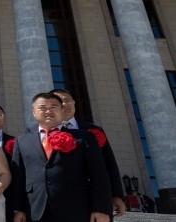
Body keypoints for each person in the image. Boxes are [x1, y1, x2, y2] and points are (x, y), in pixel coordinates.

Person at [12, 92, 112, 222]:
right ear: (34, 112)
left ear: (61, 110)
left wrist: (101, 208)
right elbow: (18, 177)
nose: (48, 111)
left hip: (76, 208)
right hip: (35, 209)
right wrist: (18, 209)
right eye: (42, 108)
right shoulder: (22, 141)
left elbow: (99, 175)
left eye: (54, 107)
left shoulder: (83, 138)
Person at [52, 88, 126, 218]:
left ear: (74, 103)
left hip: (92, 197)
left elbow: (108, 163)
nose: (65, 104)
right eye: (59, 102)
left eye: (68, 100)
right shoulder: (39, 132)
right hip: (55, 198)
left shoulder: (93, 130)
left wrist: (117, 195)